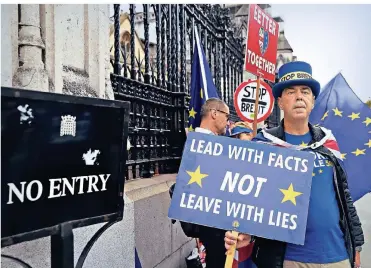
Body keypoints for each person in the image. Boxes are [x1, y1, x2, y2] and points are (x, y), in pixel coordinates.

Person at [224, 61, 364, 268]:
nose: (299, 96)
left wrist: (356, 245)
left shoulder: (329, 143)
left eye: (305, 91)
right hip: (287, 258)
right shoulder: (263, 144)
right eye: (290, 92)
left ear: (313, 101)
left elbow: (344, 197)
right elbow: (249, 201)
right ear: (280, 102)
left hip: (337, 255)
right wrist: (246, 232)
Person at [183, 97, 230, 268]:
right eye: (226, 115)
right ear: (214, 113)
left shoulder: (209, 141)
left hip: (214, 215)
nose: (228, 121)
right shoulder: (198, 142)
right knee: (217, 259)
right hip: (210, 216)